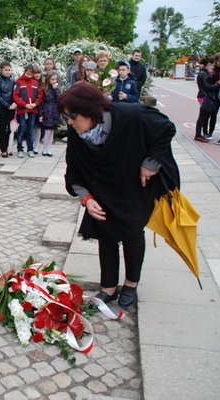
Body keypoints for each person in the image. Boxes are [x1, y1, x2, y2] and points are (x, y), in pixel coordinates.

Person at [58, 82, 180, 307]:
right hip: (103, 188)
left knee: (132, 233)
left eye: (73, 116)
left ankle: (131, 284)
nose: (70, 122)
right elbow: (74, 172)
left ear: (90, 110)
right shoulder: (77, 134)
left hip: (135, 186)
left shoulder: (131, 115)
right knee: (106, 235)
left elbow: (166, 128)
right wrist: (87, 199)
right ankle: (109, 288)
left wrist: (151, 163)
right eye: (67, 117)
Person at [13, 64, 43, 158]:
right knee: (21, 129)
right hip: (22, 110)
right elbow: (15, 96)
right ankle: (20, 149)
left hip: (32, 110)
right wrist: (24, 104)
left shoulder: (35, 83)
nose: (29, 74)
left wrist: (35, 104)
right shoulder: (19, 82)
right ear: (25, 71)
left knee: (31, 130)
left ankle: (30, 149)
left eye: (31, 73)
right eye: (28, 72)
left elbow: (39, 95)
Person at [0, 61, 17, 158]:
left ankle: (8, 148)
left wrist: (14, 103)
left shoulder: (12, 80)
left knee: (10, 129)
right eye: (5, 70)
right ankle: (3, 149)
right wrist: (7, 106)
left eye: (9, 70)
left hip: (11, 108)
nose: (7, 72)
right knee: (2, 129)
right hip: (1, 108)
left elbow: (15, 93)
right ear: (1, 70)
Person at [194, 57, 220, 143]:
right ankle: (198, 135)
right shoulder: (203, 74)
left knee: (203, 116)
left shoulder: (203, 73)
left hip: (203, 96)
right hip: (204, 96)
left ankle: (199, 134)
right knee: (202, 116)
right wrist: (218, 85)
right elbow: (207, 87)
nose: (213, 67)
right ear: (208, 64)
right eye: (212, 65)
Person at [38, 71, 61, 157]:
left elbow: (59, 98)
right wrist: (40, 114)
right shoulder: (44, 89)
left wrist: (56, 89)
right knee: (47, 131)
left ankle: (49, 148)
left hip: (54, 112)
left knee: (52, 132)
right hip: (47, 112)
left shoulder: (57, 89)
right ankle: (45, 149)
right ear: (48, 79)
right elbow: (41, 103)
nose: (54, 81)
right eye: (52, 79)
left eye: (55, 79)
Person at [207, 52, 220, 140]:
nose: (219, 63)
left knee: (214, 114)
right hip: (212, 93)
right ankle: (206, 131)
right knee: (208, 114)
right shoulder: (213, 70)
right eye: (218, 61)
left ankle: (210, 132)